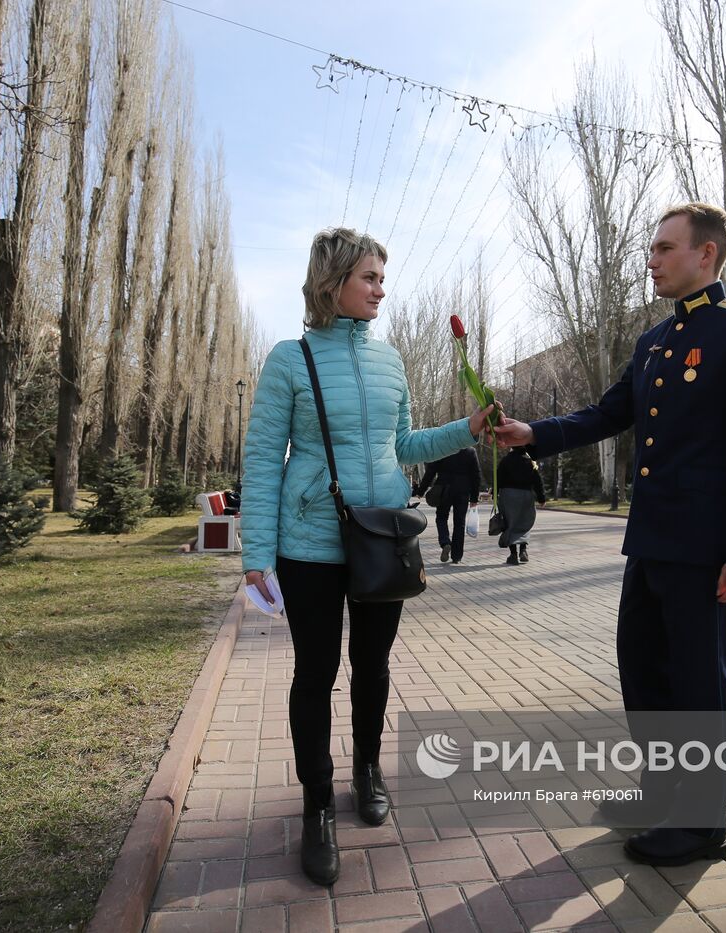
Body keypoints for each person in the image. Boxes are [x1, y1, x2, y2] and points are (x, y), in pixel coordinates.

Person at [494, 203, 726, 867]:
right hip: (651, 542)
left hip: (708, 549)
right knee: (644, 674)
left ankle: (702, 822)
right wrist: (534, 434)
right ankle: (660, 793)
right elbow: (609, 413)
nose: (651, 260)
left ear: (706, 254)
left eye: (663, 247)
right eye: (651, 249)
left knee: (699, 684)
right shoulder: (654, 340)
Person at [241, 227, 497, 887]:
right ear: (333, 283)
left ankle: (368, 770)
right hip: (310, 545)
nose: (381, 288)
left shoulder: (392, 362)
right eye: (370, 277)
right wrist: (257, 555)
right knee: (315, 671)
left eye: (383, 277)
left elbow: (405, 445)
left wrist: (465, 429)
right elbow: (265, 459)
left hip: (382, 539)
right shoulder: (289, 359)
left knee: (374, 666)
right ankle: (318, 802)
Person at [414, 447, 482, 564]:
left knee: (441, 517)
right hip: (462, 490)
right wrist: (474, 497)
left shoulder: (444, 448)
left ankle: (445, 542)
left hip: (444, 489)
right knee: (459, 522)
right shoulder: (470, 451)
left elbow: (431, 471)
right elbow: (476, 475)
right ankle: (457, 556)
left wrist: (421, 490)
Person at [495, 446, 546, 564]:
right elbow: (537, 481)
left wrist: (495, 493)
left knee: (510, 523)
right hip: (526, 496)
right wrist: (541, 498)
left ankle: (513, 555)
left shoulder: (505, 460)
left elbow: (498, 478)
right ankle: (523, 550)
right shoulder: (529, 462)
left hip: (508, 496)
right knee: (524, 522)